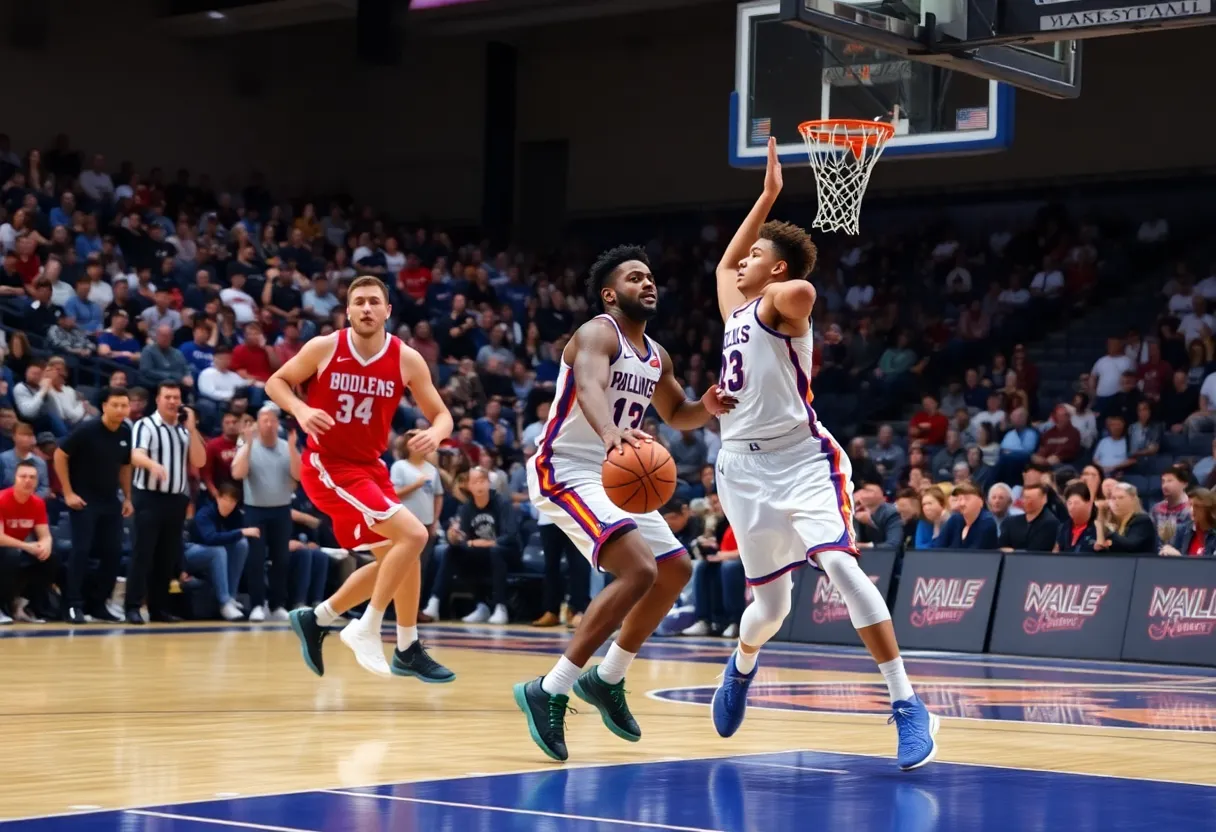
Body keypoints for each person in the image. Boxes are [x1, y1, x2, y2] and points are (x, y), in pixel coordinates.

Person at [706, 139, 937, 771]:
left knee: (841, 567)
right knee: (771, 609)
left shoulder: (787, 303)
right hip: (742, 470)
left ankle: (906, 704)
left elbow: (800, 290)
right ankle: (741, 667)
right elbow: (726, 268)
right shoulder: (735, 310)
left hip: (802, 461)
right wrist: (768, 197)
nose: (745, 260)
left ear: (776, 272)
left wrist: (786, 268)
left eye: (759, 256)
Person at [514, 244, 735, 763]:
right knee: (637, 570)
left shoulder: (657, 355)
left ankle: (607, 677)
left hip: (613, 475)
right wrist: (612, 431)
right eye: (636, 278)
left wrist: (706, 405)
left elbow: (676, 411)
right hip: (566, 468)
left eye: (651, 277)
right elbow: (590, 386)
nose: (648, 283)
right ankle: (551, 686)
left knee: (675, 568)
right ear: (611, 294)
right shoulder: (596, 332)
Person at [267, 276, 455, 681]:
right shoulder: (325, 347)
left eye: (374, 302)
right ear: (347, 311)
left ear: (388, 311)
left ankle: (339, 624)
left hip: (372, 467)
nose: (367, 308)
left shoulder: (406, 358)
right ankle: (367, 626)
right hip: (328, 466)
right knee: (415, 536)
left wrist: (436, 433)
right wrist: (300, 411)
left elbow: (443, 414)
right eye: (359, 302)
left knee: (400, 555)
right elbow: (275, 382)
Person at [53, 387, 135, 624]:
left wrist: (128, 496)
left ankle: (99, 604)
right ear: (104, 406)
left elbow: (125, 464)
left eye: (124, 405)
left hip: (111, 500)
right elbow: (60, 455)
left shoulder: (126, 431)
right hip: (84, 500)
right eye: (116, 405)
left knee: (113, 553)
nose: (121, 410)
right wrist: (68, 493)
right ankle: (72, 605)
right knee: (81, 551)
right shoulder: (87, 430)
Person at [128, 382, 207, 624]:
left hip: (176, 500)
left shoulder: (183, 431)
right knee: (143, 554)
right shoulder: (146, 425)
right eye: (168, 397)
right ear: (158, 400)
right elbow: (135, 454)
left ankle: (158, 608)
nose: (173, 402)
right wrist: (152, 465)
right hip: (149, 497)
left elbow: (199, 460)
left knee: (167, 556)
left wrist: (192, 429)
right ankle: (132, 606)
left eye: (176, 397)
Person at [186, 482, 260, 620]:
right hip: (190, 551)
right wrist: (241, 532)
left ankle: (231, 596)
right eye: (226, 499)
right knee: (218, 550)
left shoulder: (235, 515)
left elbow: (242, 534)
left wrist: (242, 533)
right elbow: (210, 538)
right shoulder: (205, 513)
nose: (229, 504)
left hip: (214, 552)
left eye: (233, 501)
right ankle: (224, 602)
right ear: (218, 498)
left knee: (241, 544)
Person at [0, 460, 54, 624]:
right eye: (23, 476)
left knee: (50, 558)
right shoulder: (2, 499)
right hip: (5, 547)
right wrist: (27, 546)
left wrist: (46, 544)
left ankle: (21, 605)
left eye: (32, 477)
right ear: (14, 478)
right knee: (10, 556)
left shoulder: (37, 503)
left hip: (17, 547)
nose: (28, 480)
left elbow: (45, 534)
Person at [1094, 482, 1156, 554]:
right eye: (1113, 498)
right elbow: (1100, 548)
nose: (1115, 502)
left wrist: (1109, 531)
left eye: (1121, 498)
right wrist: (1100, 515)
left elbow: (1130, 546)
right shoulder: (1113, 523)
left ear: (1132, 499)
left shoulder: (1142, 521)